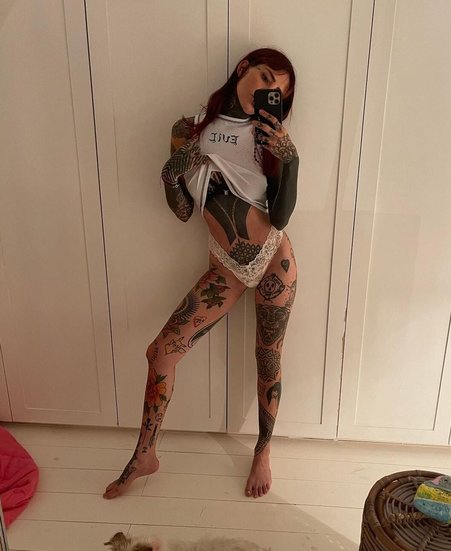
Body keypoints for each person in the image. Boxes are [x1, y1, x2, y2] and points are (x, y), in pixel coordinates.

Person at [103, 48, 299, 500]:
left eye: (279, 91)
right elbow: (182, 211)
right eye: (264, 76)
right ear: (242, 69)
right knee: (160, 354)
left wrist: (291, 162)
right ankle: (146, 455)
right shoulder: (188, 130)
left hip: (274, 258)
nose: (268, 91)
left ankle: (263, 450)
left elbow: (281, 216)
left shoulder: (268, 138)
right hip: (225, 267)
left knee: (268, 358)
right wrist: (170, 177)